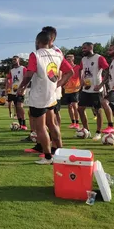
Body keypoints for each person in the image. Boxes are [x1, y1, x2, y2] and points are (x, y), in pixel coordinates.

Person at [17, 31, 74, 164]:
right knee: (52, 123)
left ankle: (48, 157)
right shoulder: (58, 54)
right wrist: (58, 84)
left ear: (37, 42)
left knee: (40, 126)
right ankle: (61, 153)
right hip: (52, 95)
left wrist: (22, 87)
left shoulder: (35, 55)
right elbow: (70, 71)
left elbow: (29, 73)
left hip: (39, 96)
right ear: (50, 42)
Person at [77, 42, 109, 141]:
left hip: (96, 90)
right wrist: (81, 80)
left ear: (91, 47)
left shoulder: (99, 58)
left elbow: (108, 71)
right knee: (80, 108)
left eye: (85, 48)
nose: (83, 50)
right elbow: (80, 70)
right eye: (82, 48)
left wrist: (101, 85)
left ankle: (98, 132)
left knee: (98, 110)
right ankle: (86, 130)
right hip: (86, 89)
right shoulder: (83, 59)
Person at [6, 56, 27, 130]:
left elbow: (26, 78)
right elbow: (8, 79)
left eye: (15, 59)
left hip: (21, 90)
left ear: (19, 60)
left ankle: (24, 124)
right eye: (13, 60)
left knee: (20, 106)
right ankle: (21, 125)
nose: (14, 60)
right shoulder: (12, 71)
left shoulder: (23, 68)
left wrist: (24, 88)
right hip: (13, 91)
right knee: (17, 109)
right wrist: (8, 87)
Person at [63, 54, 81, 129]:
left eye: (70, 59)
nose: (68, 60)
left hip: (75, 89)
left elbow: (81, 76)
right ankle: (72, 122)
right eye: (67, 59)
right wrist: (63, 85)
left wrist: (80, 85)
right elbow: (63, 77)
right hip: (67, 90)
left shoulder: (77, 67)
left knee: (74, 105)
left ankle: (77, 123)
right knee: (69, 107)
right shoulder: (65, 69)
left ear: (73, 59)